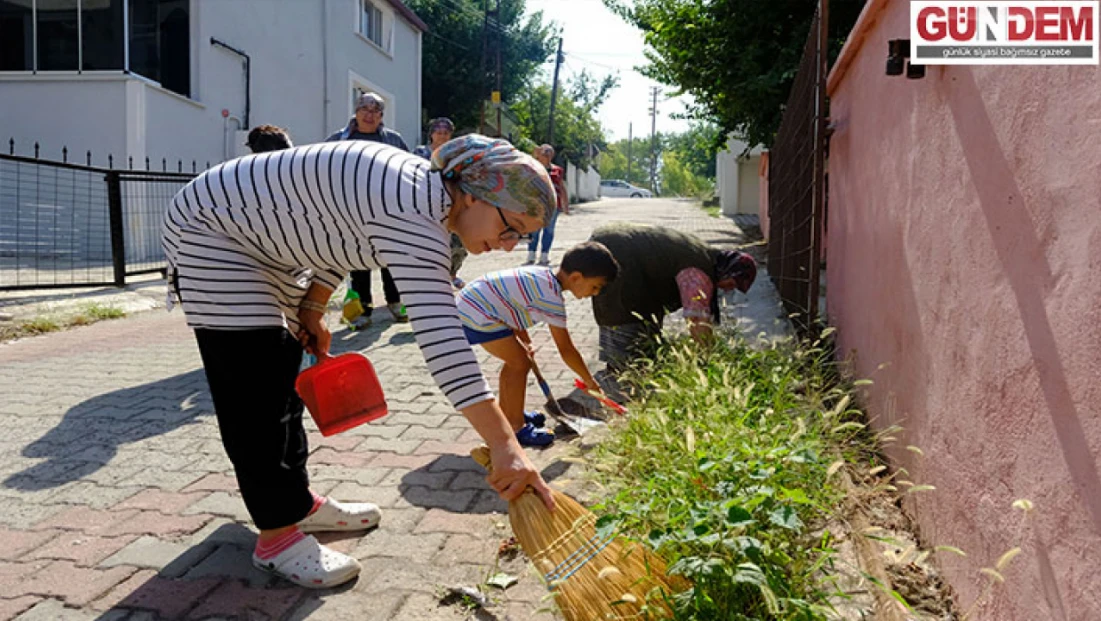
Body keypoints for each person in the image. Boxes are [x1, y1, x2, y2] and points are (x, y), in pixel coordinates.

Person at [161, 134, 557, 589]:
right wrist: (506, 447)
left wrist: (313, 307)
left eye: (521, 237)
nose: (509, 246)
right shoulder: (414, 212)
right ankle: (276, 538)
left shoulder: (423, 198)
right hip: (211, 233)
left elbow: (339, 234)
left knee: (282, 373)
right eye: (511, 228)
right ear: (473, 195)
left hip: (261, 243)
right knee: (254, 389)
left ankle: (296, 505)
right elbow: (444, 342)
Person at [457, 241, 619, 446]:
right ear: (576, 278)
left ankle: (510, 412)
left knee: (518, 361)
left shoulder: (543, 277)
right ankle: (516, 427)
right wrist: (590, 382)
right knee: (519, 363)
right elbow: (566, 350)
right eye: (595, 286)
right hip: (478, 313)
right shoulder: (551, 298)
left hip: (473, 304)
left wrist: (525, 341)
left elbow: (512, 307)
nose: (595, 293)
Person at [588, 223, 757, 369]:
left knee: (629, 304)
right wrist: (708, 358)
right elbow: (696, 319)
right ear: (727, 271)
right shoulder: (698, 272)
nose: (728, 289)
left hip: (611, 239)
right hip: (620, 251)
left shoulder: (704, 254)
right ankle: (623, 366)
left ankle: (618, 361)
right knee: (625, 307)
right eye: (731, 283)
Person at [326, 92, 410, 327]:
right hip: (351, 210)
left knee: (391, 258)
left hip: (387, 209)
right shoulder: (339, 140)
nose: (369, 115)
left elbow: (407, 169)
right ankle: (362, 310)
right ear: (356, 111)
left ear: (381, 116)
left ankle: (395, 302)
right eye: (365, 109)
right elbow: (322, 168)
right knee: (359, 260)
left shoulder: (393, 140)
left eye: (375, 111)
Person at [413, 117, 468, 288]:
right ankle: (427, 278)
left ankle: (451, 274)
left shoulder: (457, 154)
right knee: (427, 243)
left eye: (446, 133)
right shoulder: (420, 153)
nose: (442, 136)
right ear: (431, 134)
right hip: (425, 203)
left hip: (453, 203)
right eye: (439, 132)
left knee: (458, 244)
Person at [525, 144, 570, 266]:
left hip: (553, 205)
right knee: (534, 229)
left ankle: (545, 254)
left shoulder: (557, 170)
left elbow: (561, 187)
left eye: (550, 152)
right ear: (539, 154)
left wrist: (565, 204)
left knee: (549, 230)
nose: (547, 154)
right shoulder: (533, 168)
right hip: (536, 204)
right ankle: (531, 253)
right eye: (545, 152)